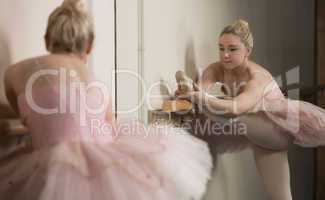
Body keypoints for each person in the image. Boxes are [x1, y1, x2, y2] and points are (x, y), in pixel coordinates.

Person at [0, 1, 212, 199]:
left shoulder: (14, 73)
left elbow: (24, 114)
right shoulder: (94, 81)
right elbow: (109, 124)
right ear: (89, 46)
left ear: (46, 38)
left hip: (51, 160)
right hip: (102, 159)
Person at [177, 19, 325, 200]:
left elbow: (235, 108)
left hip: (275, 130)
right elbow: (202, 90)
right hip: (251, 132)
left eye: (232, 49)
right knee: (282, 197)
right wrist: (194, 92)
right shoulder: (216, 69)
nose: (225, 55)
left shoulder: (257, 78)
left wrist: (197, 96)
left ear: (247, 51)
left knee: (223, 112)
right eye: (221, 48)